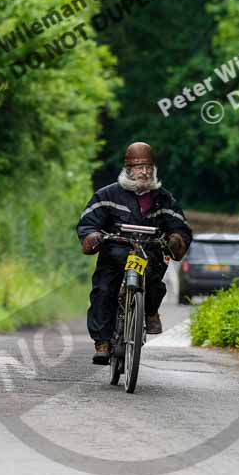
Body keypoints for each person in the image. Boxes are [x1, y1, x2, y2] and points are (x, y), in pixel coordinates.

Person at [76, 141, 193, 364]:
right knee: (103, 290)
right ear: (129, 169)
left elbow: (179, 226)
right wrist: (93, 236)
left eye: (148, 167)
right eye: (139, 167)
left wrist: (175, 239)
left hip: (149, 253)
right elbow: (88, 222)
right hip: (114, 252)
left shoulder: (164, 199)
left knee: (155, 284)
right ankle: (103, 342)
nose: (145, 172)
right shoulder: (108, 195)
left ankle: (149, 312)